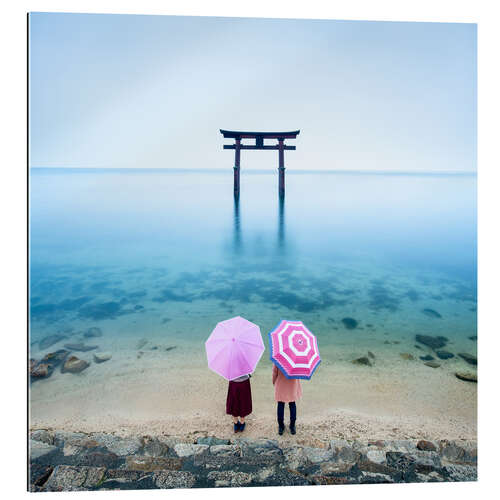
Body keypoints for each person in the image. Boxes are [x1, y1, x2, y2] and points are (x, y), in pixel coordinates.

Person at [272, 364, 302, 435]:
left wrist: (273, 382)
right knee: (292, 404)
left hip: (281, 384)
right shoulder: (296, 359)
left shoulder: (278, 358)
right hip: (292, 384)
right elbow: (299, 372)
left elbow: (274, 373)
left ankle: (281, 427)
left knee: (280, 405)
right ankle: (292, 426)